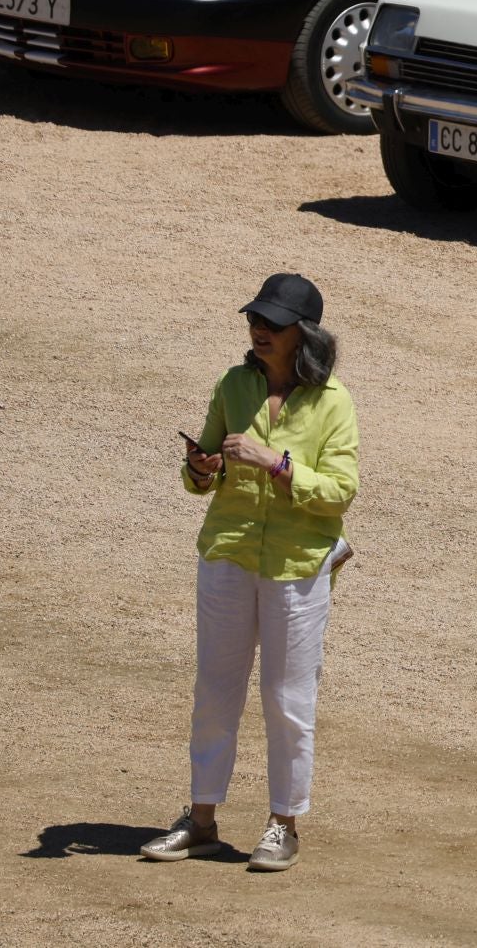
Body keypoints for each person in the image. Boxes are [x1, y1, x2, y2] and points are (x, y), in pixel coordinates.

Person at [140, 273, 360, 872]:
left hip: (296, 566)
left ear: (303, 335)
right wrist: (202, 467)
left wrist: (275, 463)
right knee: (214, 692)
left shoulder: (333, 402)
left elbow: (339, 493)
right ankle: (201, 821)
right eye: (255, 320)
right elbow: (203, 473)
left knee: (287, 699)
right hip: (229, 553)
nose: (259, 331)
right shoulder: (233, 384)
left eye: (273, 324)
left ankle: (283, 825)